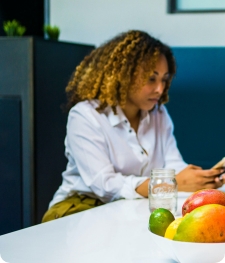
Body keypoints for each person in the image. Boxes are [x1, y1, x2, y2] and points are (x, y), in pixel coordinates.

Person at [42, 30, 225, 222]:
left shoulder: (158, 113)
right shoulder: (85, 115)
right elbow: (105, 184)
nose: (160, 89)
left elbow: (171, 165)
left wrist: (204, 178)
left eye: (164, 79)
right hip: (80, 207)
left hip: (130, 207)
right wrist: (172, 183)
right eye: (151, 79)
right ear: (122, 75)